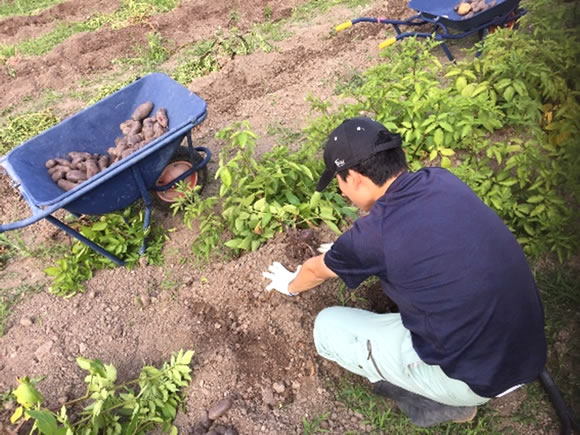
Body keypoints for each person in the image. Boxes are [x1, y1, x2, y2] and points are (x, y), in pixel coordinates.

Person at [262, 117, 547, 427]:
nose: (342, 192)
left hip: (474, 377)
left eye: (339, 182)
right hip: (526, 347)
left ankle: (440, 402)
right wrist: (351, 250)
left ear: (355, 177)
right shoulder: (440, 180)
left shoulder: (374, 236)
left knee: (326, 328)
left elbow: (315, 272)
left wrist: (289, 285)